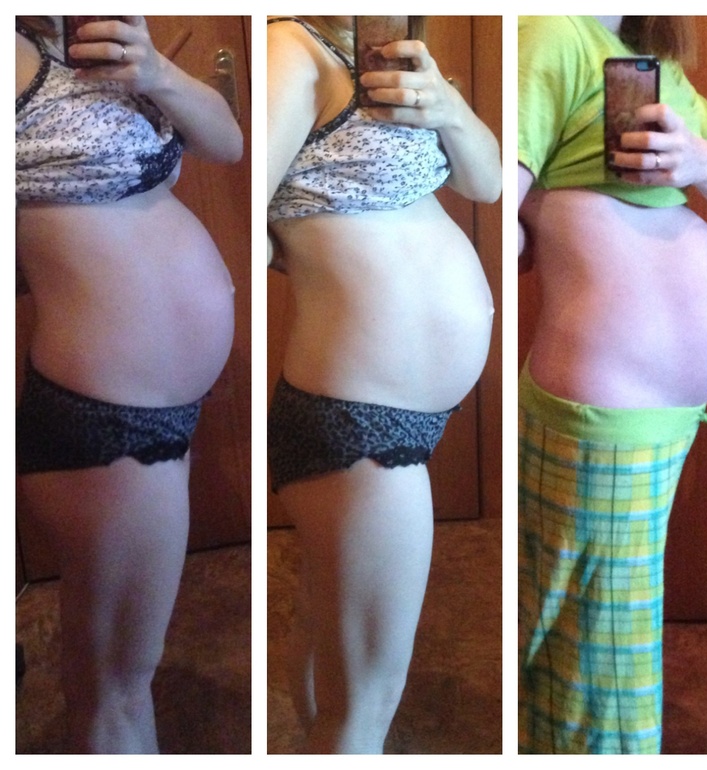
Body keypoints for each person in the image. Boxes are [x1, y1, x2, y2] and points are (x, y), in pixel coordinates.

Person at [518, 16, 707, 754]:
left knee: (604, 624)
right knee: (596, 647)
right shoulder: (553, 31)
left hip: (652, 406)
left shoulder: (649, 58)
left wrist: (699, 159)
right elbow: (497, 198)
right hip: (607, 396)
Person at [267, 15, 501, 754]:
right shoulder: (292, 49)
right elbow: (245, 210)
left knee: (328, 628)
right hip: (357, 415)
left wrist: (446, 105)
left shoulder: (382, 60)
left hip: (387, 413)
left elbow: (488, 182)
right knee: (365, 705)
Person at [15, 16, 243, 753]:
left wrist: (157, 74)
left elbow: (228, 143)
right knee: (113, 687)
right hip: (104, 418)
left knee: (117, 671)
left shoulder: (75, 44)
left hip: (151, 410)